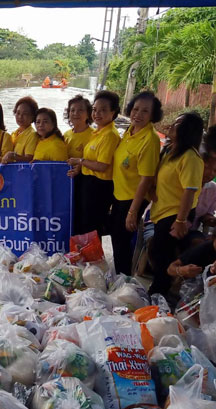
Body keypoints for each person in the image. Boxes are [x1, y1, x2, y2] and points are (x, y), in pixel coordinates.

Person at [148, 112, 205, 300]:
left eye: (179, 123)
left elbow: (189, 191)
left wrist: (180, 220)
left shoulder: (190, 157)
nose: (173, 124)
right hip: (162, 211)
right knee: (158, 253)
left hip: (176, 214)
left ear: (188, 130)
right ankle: (159, 291)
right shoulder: (171, 150)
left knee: (162, 254)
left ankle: (159, 294)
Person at [109, 92, 162, 275]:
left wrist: (133, 211)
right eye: (135, 109)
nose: (138, 114)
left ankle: (124, 285)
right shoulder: (130, 131)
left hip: (132, 199)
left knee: (123, 245)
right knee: (117, 242)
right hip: (119, 195)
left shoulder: (150, 139)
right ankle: (120, 281)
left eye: (145, 111)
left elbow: (146, 179)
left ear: (153, 115)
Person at [67, 90, 121, 236]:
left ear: (113, 112)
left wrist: (80, 161)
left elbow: (102, 166)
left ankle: (94, 258)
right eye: (95, 110)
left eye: (103, 110)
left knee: (93, 226)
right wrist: (80, 167)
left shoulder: (110, 135)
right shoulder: (98, 132)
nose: (97, 113)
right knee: (87, 224)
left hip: (99, 187)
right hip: (89, 182)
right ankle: (87, 256)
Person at [64, 95, 94, 235]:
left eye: (80, 110)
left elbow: (94, 159)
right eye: (72, 110)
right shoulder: (66, 135)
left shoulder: (93, 135)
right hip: (67, 181)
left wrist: (80, 167)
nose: (75, 113)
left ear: (88, 113)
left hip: (85, 182)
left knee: (83, 218)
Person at [187, 125, 216, 244]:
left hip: (191, 231)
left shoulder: (213, 190)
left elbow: (206, 215)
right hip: (165, 225)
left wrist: (210, 219)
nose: (209, 173)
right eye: (206, 167)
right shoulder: (184, 182)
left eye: (215, 171)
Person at [2, 97, 39, 163]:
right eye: (18, 113)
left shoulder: (32, 135)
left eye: (25, 114)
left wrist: (13, 155)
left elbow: (29, 158)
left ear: (33, 116)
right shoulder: (14, 133)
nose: (20, 117)